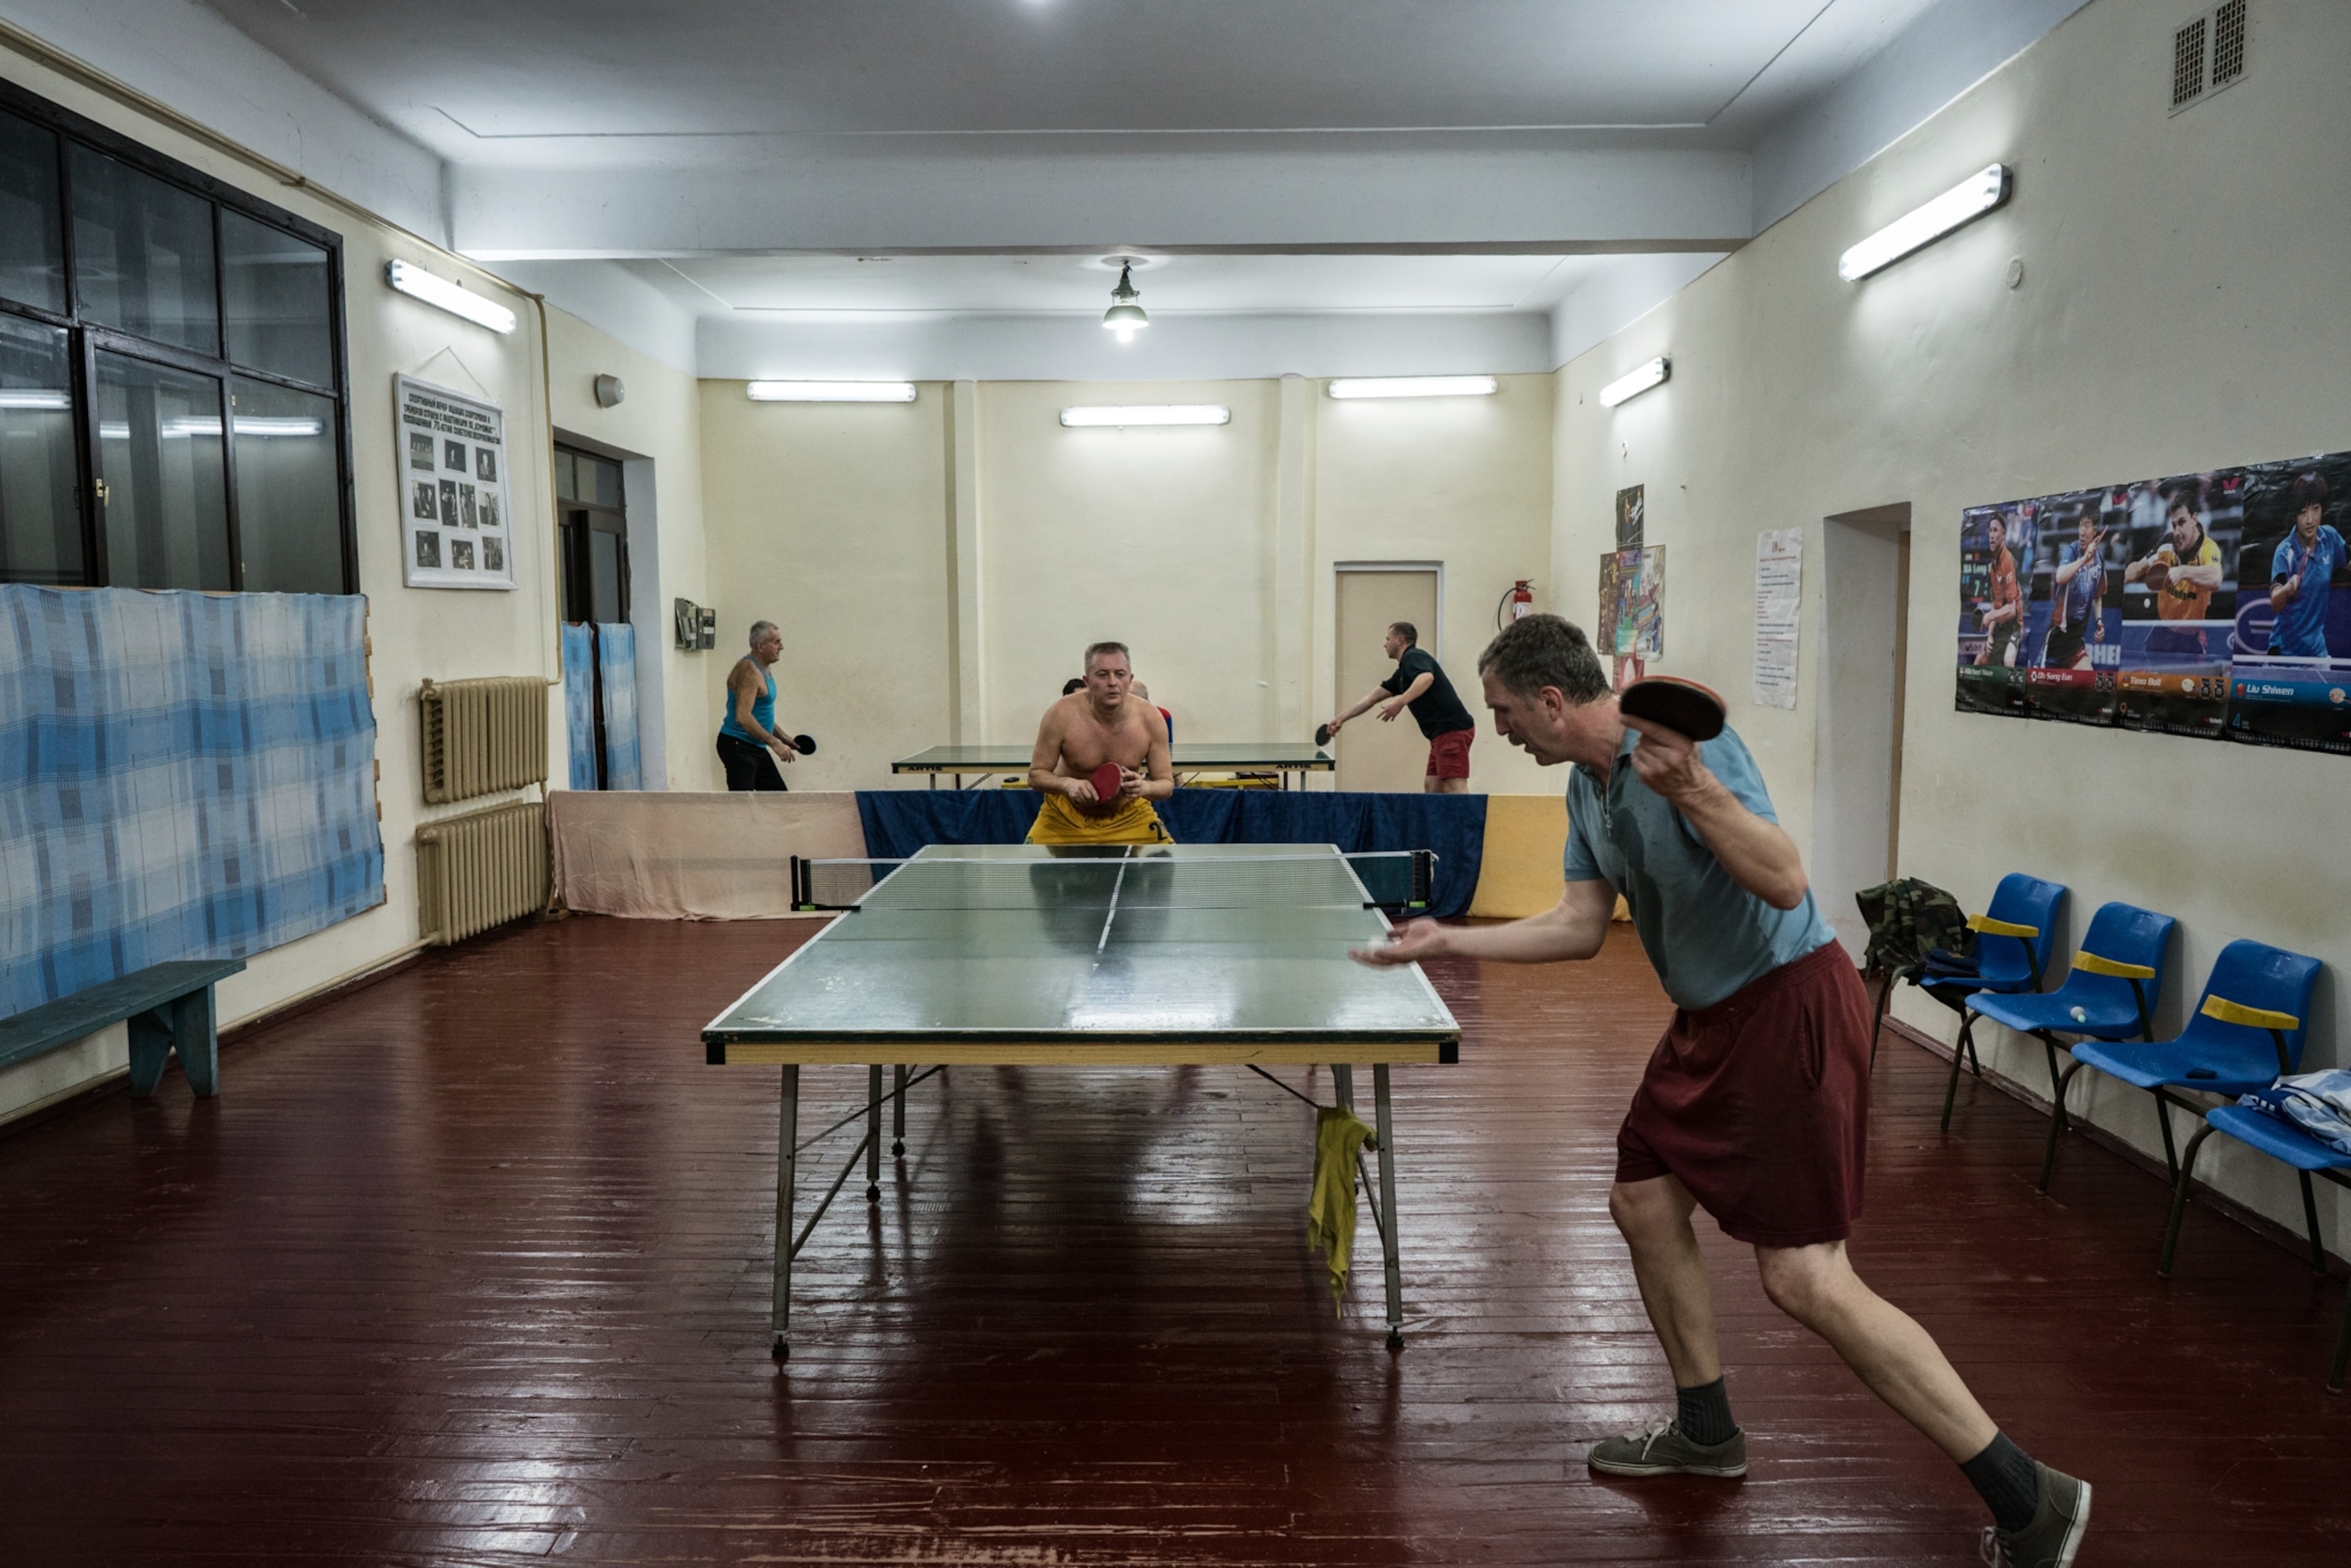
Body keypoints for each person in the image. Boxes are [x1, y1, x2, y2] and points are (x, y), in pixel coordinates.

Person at [1355, 612, 2091, 1568]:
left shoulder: (1683, 751)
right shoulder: (1587, 787)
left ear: (1548, 699)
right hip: (1708, 1022)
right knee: (1643, 1201)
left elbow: (1785, 881)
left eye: (1501, 710)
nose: (1494, 727)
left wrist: (1696, 789)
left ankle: (2030, 1496)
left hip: (1788, 1009)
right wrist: (1448, 941)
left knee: (1805, 1277)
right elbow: (1582, 924)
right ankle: (1706, 1429)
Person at [1025, 641, 1175, 845]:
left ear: (1130, 679)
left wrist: (1144, 788)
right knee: (1032, 872)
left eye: (1120, 674)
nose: (1112, 682)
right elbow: (1035, 776)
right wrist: (1067, 784)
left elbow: (1166, 785)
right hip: (1063, 817)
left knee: (1167, 870)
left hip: (1129, 816)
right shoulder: (1060, 714)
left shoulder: (1151, 719)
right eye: (1102, 674)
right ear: (1087, 680)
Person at [1325, 622, 1477, 793]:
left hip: (1451, 730)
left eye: (1387, 639)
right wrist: (1341, 718)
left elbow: (1426, 678)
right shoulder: (1403, 672)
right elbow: (1372, 698)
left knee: (1454, 785)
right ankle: (1437, 820)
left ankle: (1468, 820)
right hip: (1439, 734)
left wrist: (1399, 703)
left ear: (1400, 640)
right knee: (1432, 786)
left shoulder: (1414, 656)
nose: (1385, 644)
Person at [2124, 481, 2225, 657]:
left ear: (2194, 519)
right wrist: (2120, 579)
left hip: (2190, 639)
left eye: (2182, 522)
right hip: (2162, 633)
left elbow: (2216, 579)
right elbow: (2138, 568)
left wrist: (2183, 571)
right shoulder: (2167, 543)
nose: (2177, 532)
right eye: (2174, 525)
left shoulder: (2208, 549)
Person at [2265, 471, 2345, 657]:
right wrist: (2286, 590)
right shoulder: (2285, 552)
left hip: (2317, 651)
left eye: (2315, 509)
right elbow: (2275, 603)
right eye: (2303, 512)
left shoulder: (2330, 538)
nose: (2310, 519)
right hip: (2284, 652)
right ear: (2295, 515)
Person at [716, 620, 798, 791]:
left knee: (778, 801)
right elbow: (743, 717)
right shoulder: (749, 671)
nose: (781, 647)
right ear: (761, 646)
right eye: (776, 642)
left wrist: (783, 737)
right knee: (743, 805)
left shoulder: (764, 668)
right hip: (738, 746)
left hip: (755, 746)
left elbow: (759, 712)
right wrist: (774, 743)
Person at [2040, 508, 2107, 670]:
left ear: (2095, 530)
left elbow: (2098, 596)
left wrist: (2099, 621)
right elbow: (2060, 577)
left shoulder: (2099, 561)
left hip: (2076, 642)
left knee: (2088, 685)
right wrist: (2084, 559)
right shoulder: (2072, 550)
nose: (2082, 532)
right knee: (2044, 690)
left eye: (2087, 526)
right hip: (2057, 640)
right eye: (2080, 525)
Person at [1974, 511, 2023, 667]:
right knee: (1980, 661)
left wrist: (1990, 616)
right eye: (1990, 530)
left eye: (1996, 530)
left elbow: (2012, 610)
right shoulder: (1992, 566)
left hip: (2014, 627)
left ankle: (2013, 692)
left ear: (2003, 534)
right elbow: (1996, 604)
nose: (1991, 535)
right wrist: (1989, 636)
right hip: (2000, 629)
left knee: (2008, 662)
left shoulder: (2007, 561)